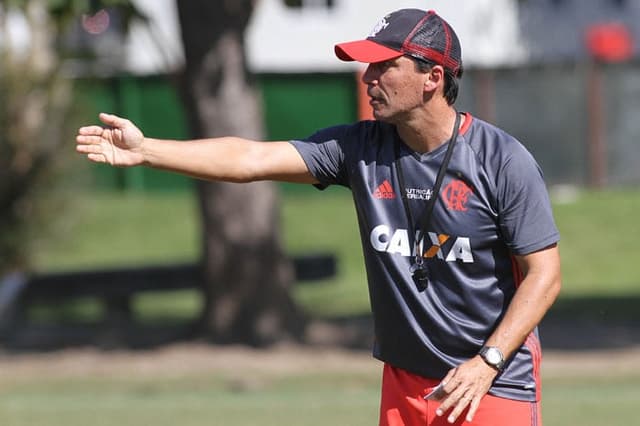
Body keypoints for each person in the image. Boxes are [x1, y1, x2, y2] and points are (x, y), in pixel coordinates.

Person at [76, 8, 561, 426]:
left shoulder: (501, 161)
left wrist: (486, 362)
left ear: (432, 77)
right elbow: (249, 159)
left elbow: (545, 274)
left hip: (489, 383)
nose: (367, 79)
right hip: (405, 381)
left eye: (382, 67)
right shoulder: (359, 148)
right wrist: (148, 151)